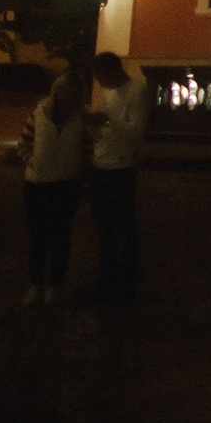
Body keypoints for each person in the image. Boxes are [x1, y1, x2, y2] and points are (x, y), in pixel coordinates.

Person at [15, 74, 92, 306]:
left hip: (67, 183)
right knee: (38, 236)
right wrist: (32, 161)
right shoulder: (39, 114)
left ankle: (55, 285)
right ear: (56, 92)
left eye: (74, 94)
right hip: (37, 183)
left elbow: (88, 150)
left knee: (60, 237)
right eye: (66, 93)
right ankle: (35, 284)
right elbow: (24, 143)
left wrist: (83, 179)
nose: (69, 98)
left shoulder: (82, 118)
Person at [85, 52, 147, 302]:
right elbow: (104, 132)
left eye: (101, 78)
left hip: (121, 167)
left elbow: (136, 132)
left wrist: (108, 120)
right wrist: (93, 127)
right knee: (104, 228)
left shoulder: (137, 91)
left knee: (123, 227)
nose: (100, 84)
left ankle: (126, 282)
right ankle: (106, 278)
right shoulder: (108, 92)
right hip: (100, 164)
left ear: (113, 71)